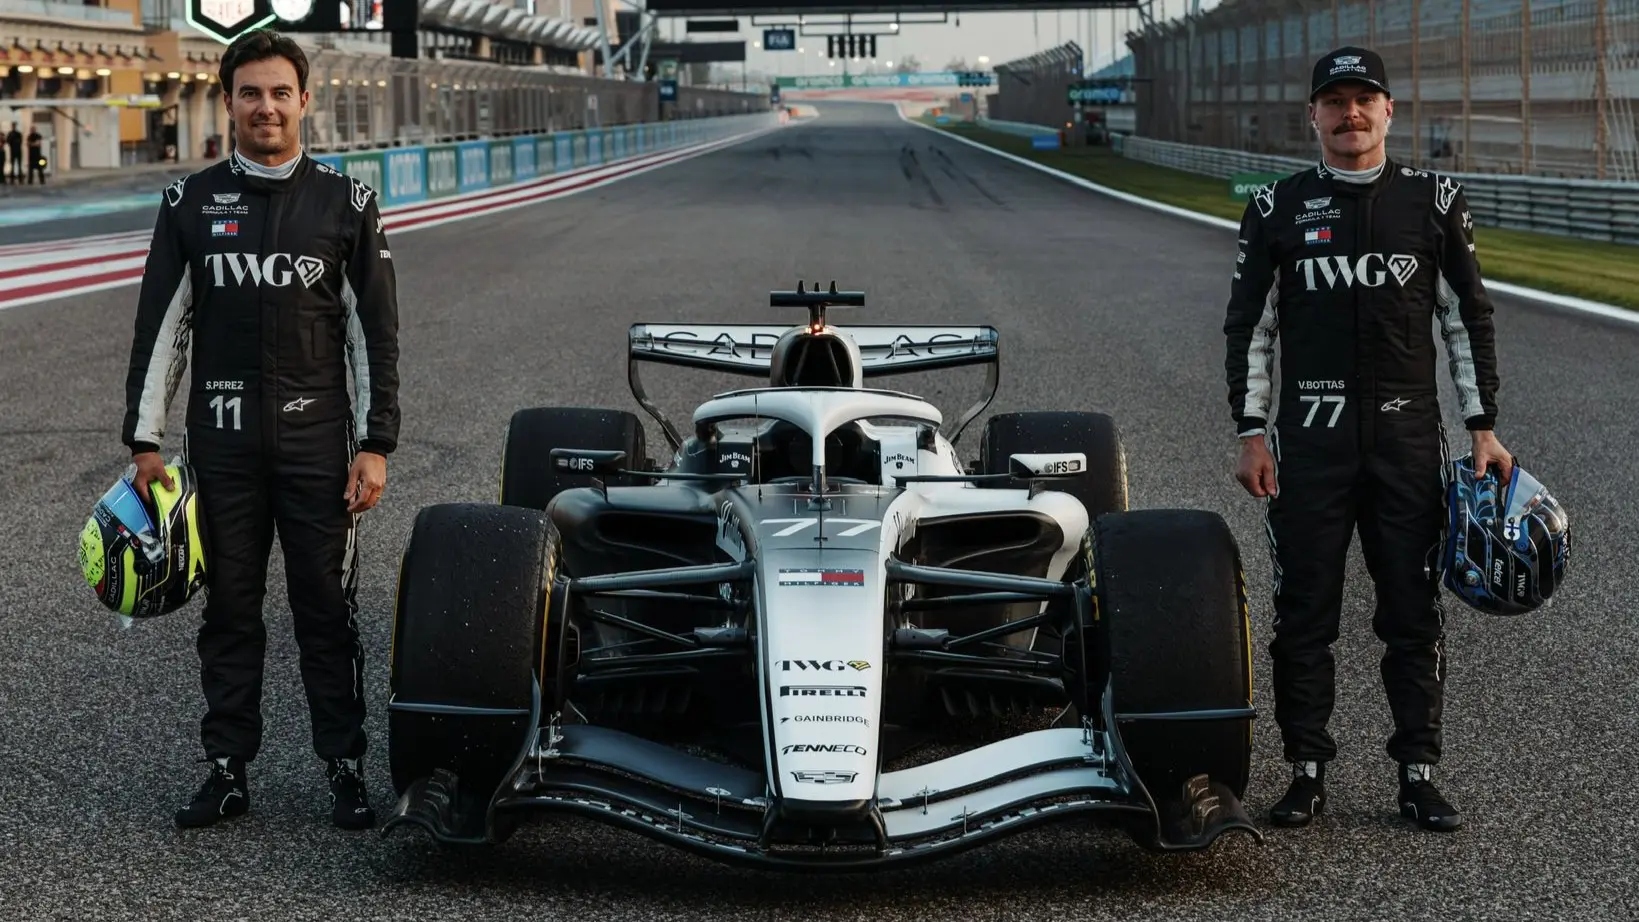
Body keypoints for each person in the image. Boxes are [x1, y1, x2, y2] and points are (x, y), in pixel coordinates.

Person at [119, 27, 401, 831]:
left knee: (325, 611)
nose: (266, 107)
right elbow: (162, 329)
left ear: (306, 101)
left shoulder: (347, 204)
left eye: (281, 92)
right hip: (222, 451)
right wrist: (144, 441)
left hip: (320, 451)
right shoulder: (189, 203)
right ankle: (225, 769)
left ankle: (345, 769)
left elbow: (373, 336)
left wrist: (377, 443)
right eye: (250, 93)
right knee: (229, 614)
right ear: (230, 101)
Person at [1222, 46, 1508, 834]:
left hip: (1407, 445)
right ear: (1312, 115)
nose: (1349, 114)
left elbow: (1465, 320)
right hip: (1308, 449)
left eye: (1363, 100)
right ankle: (1305, 771)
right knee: (1302, 616)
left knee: (1411, 616)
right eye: (1334, 101)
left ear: (1388, 111)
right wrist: (1252, 434)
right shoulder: (1276, 207)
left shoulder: (1435, 200)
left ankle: (1418, 773)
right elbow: (1250, 329)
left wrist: (1481, 428)